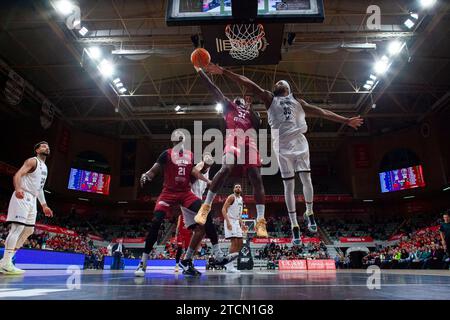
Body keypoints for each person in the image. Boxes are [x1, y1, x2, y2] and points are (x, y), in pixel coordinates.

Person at [205, 64, 363, 244]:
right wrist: (224, 72)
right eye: (277, 82)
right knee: (288, 186)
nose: (277, 83)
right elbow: (248, 83)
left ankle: (309, 211)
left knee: (306, 179)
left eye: (281, 82)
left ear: (288, 88)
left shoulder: (298, 103)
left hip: (299, 140)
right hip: (280, 144)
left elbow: (322, 112)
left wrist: (346, 120)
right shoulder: (270, 98)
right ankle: (294, 224)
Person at [135, 133, 235, 277]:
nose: (180, 141)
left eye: (182, 139)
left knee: (205, 214)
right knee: (156, 221)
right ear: (173, 141)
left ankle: (218, 255)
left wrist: (208, 182)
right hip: (168, 192)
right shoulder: (166, 154)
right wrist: (146, 175)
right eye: (177, 139)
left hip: (185, 193)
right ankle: (142, 263)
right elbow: (154, 171)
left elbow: (194, 172)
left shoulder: (190, 155)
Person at [194, 66, 268, 238]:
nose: (241, 100)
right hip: (233, 140)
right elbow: (214, 89)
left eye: (243, 100)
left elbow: (259, 125)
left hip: (249, 142)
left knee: (256, 177)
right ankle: (206, 206)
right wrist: (200, 71)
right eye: (239, 100)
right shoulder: (229, 107)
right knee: (226, 168)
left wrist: (250, 107)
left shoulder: (252, 113)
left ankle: (261, 220)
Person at [0, 141, 53, 275]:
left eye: (47, 146)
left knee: (29, 230)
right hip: (23, 195)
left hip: (33, 200)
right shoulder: (32, 161)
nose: (46, 147)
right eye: (43, 146)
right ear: (36, 150)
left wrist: (44, 205)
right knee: (17, 228)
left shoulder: (45, 167)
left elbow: (40, 188)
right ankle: (6, 264)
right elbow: (17, 175)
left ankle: (6, 261)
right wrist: (18, 189)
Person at [222, 184, 247, 273]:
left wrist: (242, 224)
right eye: (236, 187)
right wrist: (228, 222)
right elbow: (223, 209)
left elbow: (239, 214)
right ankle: (229, 265)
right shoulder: (231, 197)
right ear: (233, 189)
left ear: (241, 189)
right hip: (230, 220)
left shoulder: (241, 199)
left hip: (236, 221)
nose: (238, 188)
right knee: (234, 241)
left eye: (239, 187)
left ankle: (229, 261)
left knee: (240, 243)